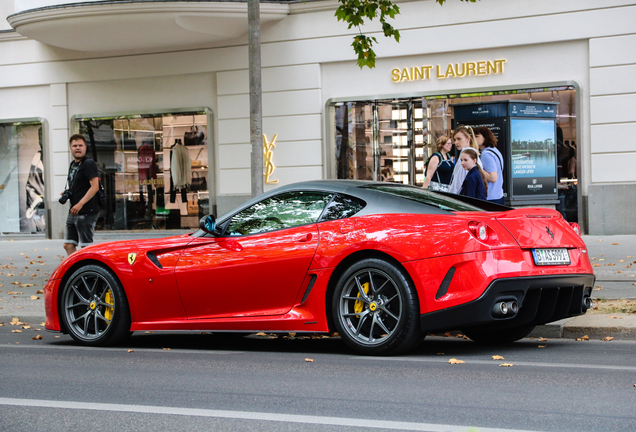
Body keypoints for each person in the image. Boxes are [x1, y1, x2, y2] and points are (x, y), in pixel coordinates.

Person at [62, 134, 100, 256]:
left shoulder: (88, 163)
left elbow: (95, 187)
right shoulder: (73, 164)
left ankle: (89, 272)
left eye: (80, 145)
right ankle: (76, 271)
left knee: (86, 247)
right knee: (68, 245)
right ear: (70, 148)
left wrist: (80, 203)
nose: (77, 148)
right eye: (74, 146)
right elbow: (79, 185)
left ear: (85, 147)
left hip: (86, 210)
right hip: (74, 209)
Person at [474, 126, 505, 205]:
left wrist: (476, 168)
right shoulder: (494, 150)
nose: (474, 139)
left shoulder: (486, 154)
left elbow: (492, 177)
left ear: (485, 137)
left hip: (490, 197)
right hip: (498, 195)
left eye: (477, 136)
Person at [448, 125, 482, 194]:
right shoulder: (472, 154)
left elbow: (459, 182)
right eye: (455, 140)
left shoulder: (467, 156)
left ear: (468, 139)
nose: (456, 142)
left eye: (459, 139)